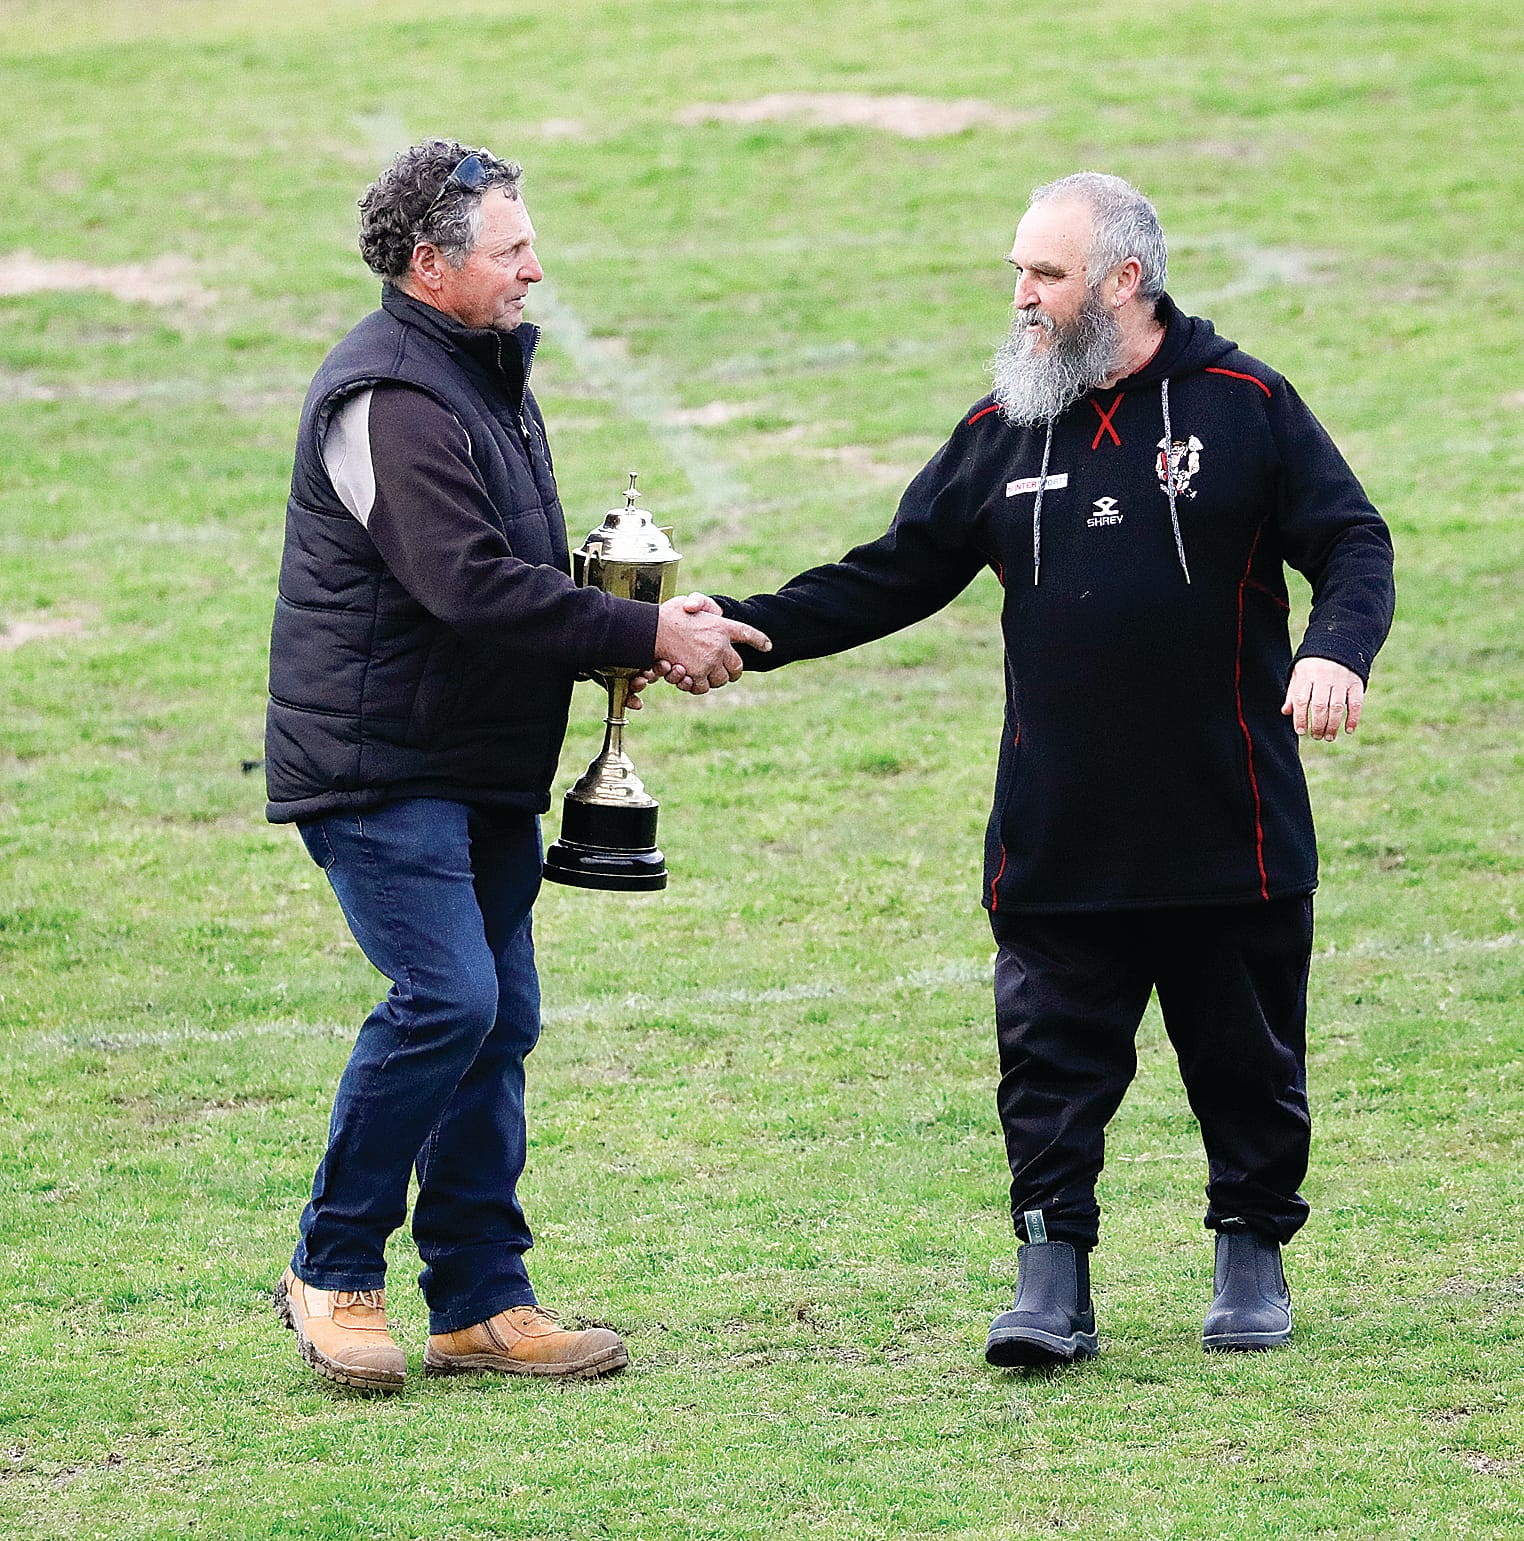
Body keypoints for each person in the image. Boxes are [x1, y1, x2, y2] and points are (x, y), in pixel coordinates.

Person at [677, 172, 1395, 1365]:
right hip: (1058, 833)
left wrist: (1337, 651)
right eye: (1019, 269)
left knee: (1248, 1061)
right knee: (1050, 1069)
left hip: (1233, 825)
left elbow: (1352, 538)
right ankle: (1051, 1275)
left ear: (1126, 280)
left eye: (1045, 274)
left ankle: (1250, 1252)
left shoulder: (1245, 403)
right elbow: (891, 572)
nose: (1021, 296)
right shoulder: (1001, 430)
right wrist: (740, 627)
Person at [263, 139, 769, 1393]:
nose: (536, 266)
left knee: (502, 1019)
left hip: (479, 758)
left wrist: (621, 623)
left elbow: (520, 573)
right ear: (432, 265)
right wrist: (643, 630)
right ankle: (331, 1270)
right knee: (450, 1002)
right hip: (382, 766)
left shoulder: (481, 378)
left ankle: (480, 1300)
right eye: (512, 249)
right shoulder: (388, 394)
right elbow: (465, 581)